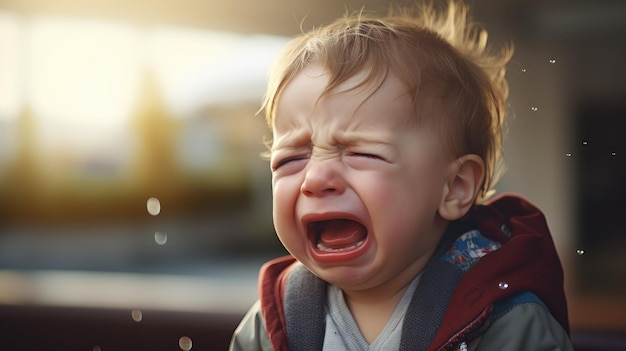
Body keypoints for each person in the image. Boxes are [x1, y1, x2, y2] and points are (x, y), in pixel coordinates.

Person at [230, 0, 573, 349]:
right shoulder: (273, 325)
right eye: (290, 159)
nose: (314, 179)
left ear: (454, 187)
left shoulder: (505, 324)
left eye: (362, 152)